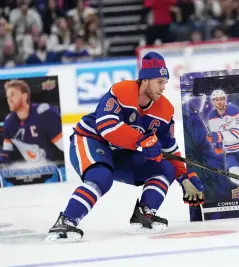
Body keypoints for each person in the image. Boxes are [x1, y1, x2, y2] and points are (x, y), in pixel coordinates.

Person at [46, 52, 205, 242]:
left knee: (166, 168)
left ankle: (144, 214)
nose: (164, 87)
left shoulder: (165, 110)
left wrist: (184, 177)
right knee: (101, 177)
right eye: (159, 81)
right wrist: (141, 140)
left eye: (165, 82)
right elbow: (107, 127)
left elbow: (169, 150)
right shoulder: (122, 91)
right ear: (145, 79)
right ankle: (66, 221)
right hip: (90, 140)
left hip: (120, 153)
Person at [0, 79, 64, 165]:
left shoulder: (44, 114)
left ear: (24, 96)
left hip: (56, 167)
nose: (9, 100)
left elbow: (65, 146)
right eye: (8, 97)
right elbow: (6, 153)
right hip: (30, 169)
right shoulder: (9, 121)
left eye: (13, 95)